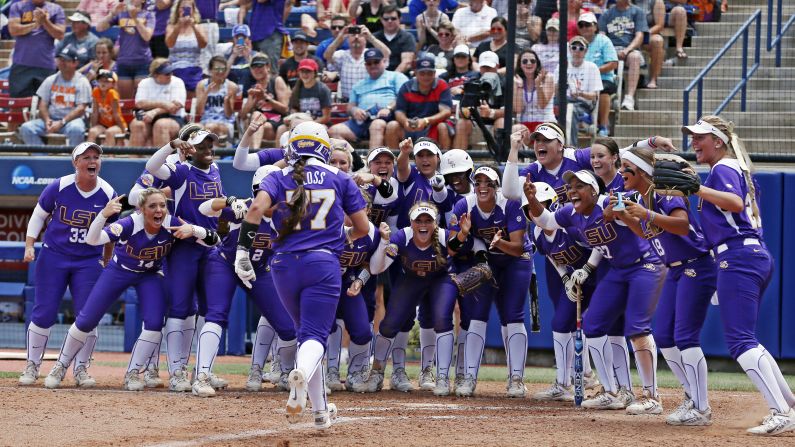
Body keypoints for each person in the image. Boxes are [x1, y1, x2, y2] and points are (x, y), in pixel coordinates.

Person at [233, 121, 370, 429]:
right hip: (322, 263)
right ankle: (300, 376)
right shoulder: (340, 177)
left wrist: (242, 253)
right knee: (315, 337)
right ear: (324, 148)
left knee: (306, 334)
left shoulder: (277, 176)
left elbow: (255, 210)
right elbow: (363, 228)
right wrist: (344, 236)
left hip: (282, 265)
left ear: (291, 148)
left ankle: (320, 413)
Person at [683, 116, 795, 435]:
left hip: (739, 257)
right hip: (745, 256)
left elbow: (733, 203)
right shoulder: (734, 169)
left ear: (718, 141)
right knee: (747, 339)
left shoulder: (724, 168)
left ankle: (780, 412)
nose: (693, 141)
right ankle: (788, 403)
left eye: (700, 136)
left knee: (740, 341)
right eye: (692, 136)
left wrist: (696, 186)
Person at [43, 188, 219, 390]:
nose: (159, 210)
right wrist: (103, 215)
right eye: (152, 206)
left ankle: (133, 372)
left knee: (154, 323)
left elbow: (215, 240)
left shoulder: (172, 223)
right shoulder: (129, 224)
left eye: (162, 205)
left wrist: (195, 230)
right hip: (120, 270)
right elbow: (92, 240)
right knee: (87, 319)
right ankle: (60, 366)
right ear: (141, 210)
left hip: (150, 274)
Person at [522, 169, 665, 413]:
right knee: (593, 325)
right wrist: (533, 199)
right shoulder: (570, 212)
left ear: (593, 191)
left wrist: (619, 209)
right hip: (618, 270)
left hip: (645, 265)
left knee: (637, 328)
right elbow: (545, 220)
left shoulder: (609, 201)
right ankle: (613, 392)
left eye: (579, 186)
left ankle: (652, 396)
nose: (572, 191)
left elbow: (640, 209)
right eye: (570, 187)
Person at [618, 145, 716, 426]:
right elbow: (649, 234)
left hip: (695, 265)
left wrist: (643, 214)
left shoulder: (664, 191)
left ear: (641, 170)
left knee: (685, 336)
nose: (622, 172)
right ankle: (692, 396)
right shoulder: (642, 198)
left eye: (627, 167)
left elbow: (681, 226)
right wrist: (626, 217)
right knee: (663, 335)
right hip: (675, 269)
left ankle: (701, 407)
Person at [18, 142, 116, 387]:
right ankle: (32, 366)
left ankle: (81, 369)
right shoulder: (59, 186)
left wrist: (106, 257)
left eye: (96, 157)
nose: (92, 161)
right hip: (54, 256)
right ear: (75, 163)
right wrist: (29, 245)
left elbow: (112, 230)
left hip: (88, 260)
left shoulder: (107, 192)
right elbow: (38, 215)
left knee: (88, 316)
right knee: (44, 312)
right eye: (86, 157)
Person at [194, 166, 298, 396]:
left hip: (258, 270)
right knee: (216, 314)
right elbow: (204, 209)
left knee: (287, 326)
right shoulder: (244, 208)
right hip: (225, 264)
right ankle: (201, 375)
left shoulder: (288, 218)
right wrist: (229, 201)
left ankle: (286, 372)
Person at [144, 125, 225, 392]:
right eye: (202, 145)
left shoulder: (215, 171)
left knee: (209, 309)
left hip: (209, 247)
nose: (209, 150)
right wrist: (171, 145)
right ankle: (177, 371)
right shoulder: (182, 173)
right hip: (184, 247)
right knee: (180, 308)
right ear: (190, 150)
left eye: (210, 144)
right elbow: (152, 166)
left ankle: (203, 370)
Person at [447, 167, 534, 398]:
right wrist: (463, 234)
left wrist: (498, 243)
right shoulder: (464, 206)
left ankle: (516, 378)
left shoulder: (510, 204)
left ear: (497, 186)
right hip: (487, 262)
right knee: (477, 314)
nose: (483, 186)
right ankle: (469, 377)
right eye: (479, 182)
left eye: (489, 182)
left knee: (513, 314)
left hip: (516, 261)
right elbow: (451, 249)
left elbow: (517, 247)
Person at [367, 202, 458, 396]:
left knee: (442, 319)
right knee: (390, 323)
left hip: (440, 280)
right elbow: (377, 268)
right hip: (412, 278)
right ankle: (377, 371)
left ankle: (441, 376)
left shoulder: (445, 236)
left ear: (436, 223)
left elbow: (463, 249)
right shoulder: (403, 236)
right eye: (419, 220)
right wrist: (384, 243)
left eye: (428, 220)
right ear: (411, 222)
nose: (423, 224)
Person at [328, 48, 407, 149]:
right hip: (363, 120)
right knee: (334, 131)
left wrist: (388, 108)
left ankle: (372, 161)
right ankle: (356, 161)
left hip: (387, 118)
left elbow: (403, 97)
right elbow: (350, 107)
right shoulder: (358, 84)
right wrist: (355, 110)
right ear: (365, 65)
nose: (373, 65)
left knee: (376, 124)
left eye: (376, 62)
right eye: (369, 63)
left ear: (384, 61)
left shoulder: (396, 76)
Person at [19, 47, 92, 147]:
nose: (62, 63)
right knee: (26, 128)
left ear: (75, 63)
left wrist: (62, 122)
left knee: (77, 129)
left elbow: (81, 108)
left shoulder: (82, 81)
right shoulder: (51, 79)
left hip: (72, 121)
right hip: (51, 119)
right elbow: (43, 104)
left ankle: (73, 160)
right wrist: (47, 120)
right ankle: (43, 159)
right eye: (60, 60)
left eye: (66, 60)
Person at [387, 55, 453, 150]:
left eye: (429, 73)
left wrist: (426, 121)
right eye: (422, 73)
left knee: (443, 127)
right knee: (392, 125)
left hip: (432, 126)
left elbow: (446, 111)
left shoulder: (442, 85)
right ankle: (395, 160)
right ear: (416, 74)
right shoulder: (406, 87)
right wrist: (405, 121)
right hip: (410, 127)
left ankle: (443, 160)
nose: (426, 76)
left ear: (434, 73)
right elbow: (399, 111)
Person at [97, 0, 155, 99]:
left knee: (142, 100)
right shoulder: (122, 14)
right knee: (125, 101)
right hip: (124, 62)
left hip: (142, 61)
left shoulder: (149, 15)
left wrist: (135, 18)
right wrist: (112, 13)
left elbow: (147, 36)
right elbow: (99, 28)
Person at [7, 0, 66, 98]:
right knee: (17, 103)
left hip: (46, 65)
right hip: (21, 64)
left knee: (44, 103)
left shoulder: (56, 9)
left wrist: (45, 21)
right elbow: (13, 30)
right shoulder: (18, 6)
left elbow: (60, 35)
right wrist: (35, 25)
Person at [599, 0, 649, 111]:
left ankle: (629, 98)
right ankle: (608, 96)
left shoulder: (637, 12)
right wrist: (610, 51)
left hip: (630, 49)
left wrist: (627, 50)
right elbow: (601, 37)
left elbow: (639, 36)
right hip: (610, 49)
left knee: (635, 57)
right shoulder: (607, 14)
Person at [324, 24, 391, 102]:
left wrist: (371, 37)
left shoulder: (371, 54)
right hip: (347, 101)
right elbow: (327, 56)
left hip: (369, 100)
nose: (356, 37)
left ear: (365, 39)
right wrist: (340, 37)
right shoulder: (341, 55)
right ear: (348, 39)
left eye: (360, 35)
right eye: (352, 35)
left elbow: (387, 53)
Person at [577, 11, 618, 137]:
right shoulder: (576, 43)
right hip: (581, 79)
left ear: (595, 26)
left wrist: (593, 72)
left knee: (603, 91)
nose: (584, 28)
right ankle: (583, 118)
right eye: (581, 25)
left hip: (603, 78)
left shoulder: (603, 40)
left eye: (588, 25)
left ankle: (603, 125)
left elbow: (613, 63)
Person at [453, 51, 505, 150]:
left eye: (489, 67)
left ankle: (501, 160)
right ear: (479, 67)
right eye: (484, 67)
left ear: (497, 66)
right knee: (462, 123)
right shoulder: (471, 82)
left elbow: (509, 111)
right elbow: (461, 112)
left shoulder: (505, 83)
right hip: (474, 122)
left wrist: (491, 113)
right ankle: (458, 160)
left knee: (502, 122)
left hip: (495, 122)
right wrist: (473, 111)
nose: (486, 70)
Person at [129, 60, 187, 147]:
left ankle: (161, 160)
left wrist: (154, 112)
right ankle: (135, 160)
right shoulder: (145, 83)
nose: (170, 75)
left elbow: (175, 106)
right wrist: (163, 104)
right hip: (147, 117)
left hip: (173, 117)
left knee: (160, 125)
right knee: (137, 124)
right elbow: (140, 103)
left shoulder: (178, 82)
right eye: (166, 73)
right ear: (155, 74)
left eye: (171, 72)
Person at [239, 53, 290, 149]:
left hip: (277, 121)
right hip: (261, 122)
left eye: (260, 66)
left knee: (255, 120)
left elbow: (285, 109)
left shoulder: (276, 81)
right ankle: (254, 151)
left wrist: (266, 98)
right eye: (254, 67)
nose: (257, 70)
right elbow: (242, 116)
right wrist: (252, 100)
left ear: (268, 67)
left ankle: (253, 153)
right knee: (256, 117)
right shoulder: (253, 86)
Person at [278, 59, 331, 143]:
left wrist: (309, 123)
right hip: (299, 123)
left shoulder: (323, 89)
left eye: (308, 71)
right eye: (302, 71)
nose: (305, 74)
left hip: (318, 123)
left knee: (322, 130)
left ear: (314, 73)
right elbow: (294, 111)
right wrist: (290, 118)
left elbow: (326, 117)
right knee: (281, 129)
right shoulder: (296, 89)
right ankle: (282, 155)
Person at [566, 35, 602, 147]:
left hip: (583, 103)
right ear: (569, 49)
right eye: (574, 47)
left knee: (571, 111)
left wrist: (580, 93)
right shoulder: (562, 66)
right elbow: (556, 92)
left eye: (581, 48)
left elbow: (595, 96)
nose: (577, 50)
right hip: (564, 101)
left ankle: (570, 148)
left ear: (586, 51)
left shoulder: (592, 67)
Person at [165, 0, 208, 94]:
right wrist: (179, 26)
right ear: (177, 10)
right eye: (182, 7)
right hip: (174, 68)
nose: (185, 10)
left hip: (194, 68)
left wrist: (193, 26)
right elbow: (169, 44)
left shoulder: (199, 27)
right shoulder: (171, 26)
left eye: (188, 8)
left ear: (193, 10)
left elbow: (203, 44)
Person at [195, 56, 239, 143]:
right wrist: (206, 93)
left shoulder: (231, 86)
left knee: (211, 128)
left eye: (223, 69)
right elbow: (199, 112)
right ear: (210, 70)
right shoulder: (202, 85)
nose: (220, 71)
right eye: (217, 68)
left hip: (224, 123)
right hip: (205, 121)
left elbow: (229, 115)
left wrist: (226, 101)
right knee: (195, 128)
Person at [511, 48, 555, 133]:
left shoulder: (547, 77)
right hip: (525, 123)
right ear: (520, 65)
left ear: (537, 63)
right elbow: (518, 109)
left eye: (532, 61)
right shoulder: (516, 80)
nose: (529, 63)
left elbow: (542, 105)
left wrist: (538, 85)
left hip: (545, 121)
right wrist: (520, 86)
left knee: (540, 129)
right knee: (515, 129)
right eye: (524, 61)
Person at [240, 0, 288, 73]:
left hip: (271, 33)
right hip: (255, 33)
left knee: (271, 71)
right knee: (252, 69)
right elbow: (243, 3)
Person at [87, 69, 128, 147]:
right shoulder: (95, 92)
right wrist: (93, 126)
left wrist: (124, 130)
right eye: (100, 81)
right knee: (92, 131)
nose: (103, 83)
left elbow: (116, 114)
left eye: (106, 81)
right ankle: (88, 156)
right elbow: (95, 112)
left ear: (113, 84)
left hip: (116, 125)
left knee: (110, 132)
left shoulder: (112, 93)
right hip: (103, 124)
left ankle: (109, 157)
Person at [373, 6, 416, 75]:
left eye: (393, 18)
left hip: (400, 77)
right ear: (381, 20)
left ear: (400, 19)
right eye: (386, 19)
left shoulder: (408, 37)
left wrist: (392, 78)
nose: (389, 21)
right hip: (377, 76)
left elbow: (406, 62)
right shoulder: (374, 38)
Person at [225, 24, 254, 89]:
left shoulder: (255, 55)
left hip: (249, 92)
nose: (240, 40)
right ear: (233, 39)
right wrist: (233, 56)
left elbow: (257, 75)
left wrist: (248, 57)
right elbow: (222, 76)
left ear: (248, 39)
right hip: (231, 93)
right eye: (237, 37)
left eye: (244, 37)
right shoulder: (227, 55)